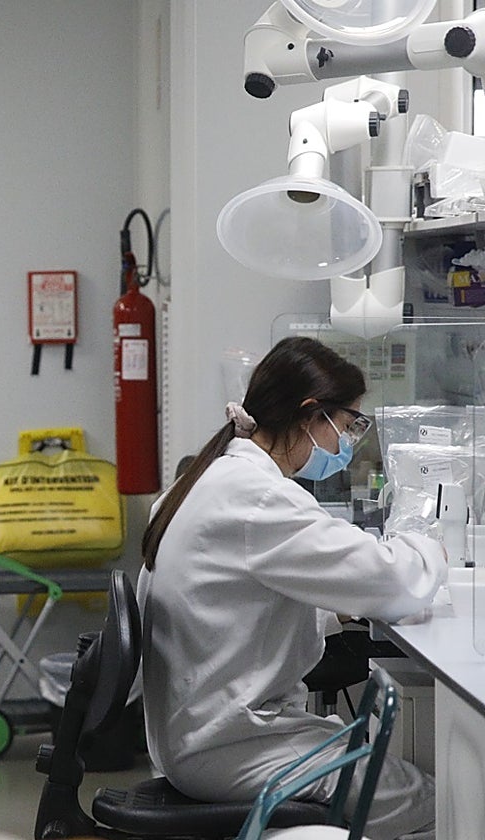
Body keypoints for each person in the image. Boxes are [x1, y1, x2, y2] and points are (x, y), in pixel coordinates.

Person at [138, 336, 445, 840]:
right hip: (229, 745)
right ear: (311, 415)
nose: (346, 445)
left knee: (398, 781)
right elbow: (396, 581)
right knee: (433, 806)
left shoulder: (209, 478)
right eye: (347, 427)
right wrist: (431, 545)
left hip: (202, 735)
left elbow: (227, 603)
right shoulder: (257, 499)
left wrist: (334, 614)